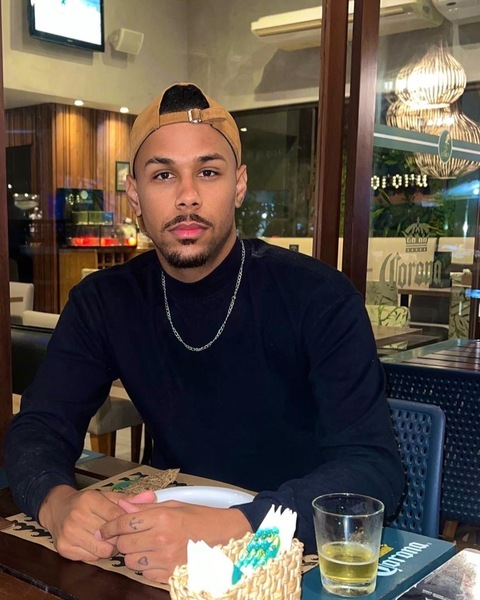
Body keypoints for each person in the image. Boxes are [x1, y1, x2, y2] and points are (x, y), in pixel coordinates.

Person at [4, 82, 404, 583]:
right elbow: (39, 427)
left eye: (208, 172)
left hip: (290, 552)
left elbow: (373, 468)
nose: (187, 196)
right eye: (163, 174)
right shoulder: (104, 301)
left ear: (239, 185)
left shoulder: (319, 297)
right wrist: (57, 502)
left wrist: (234, 528)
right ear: (134, 194)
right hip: (163, 547)